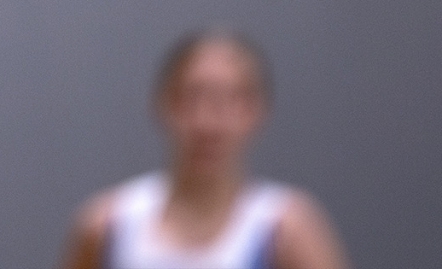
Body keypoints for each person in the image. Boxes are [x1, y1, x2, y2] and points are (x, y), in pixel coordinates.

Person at [60, 29, 349, 269]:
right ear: (162, 103)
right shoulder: (106, 226)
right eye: (192, 97)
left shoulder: (287, 231)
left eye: (228, 100)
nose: (208, 123)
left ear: (257, 111)